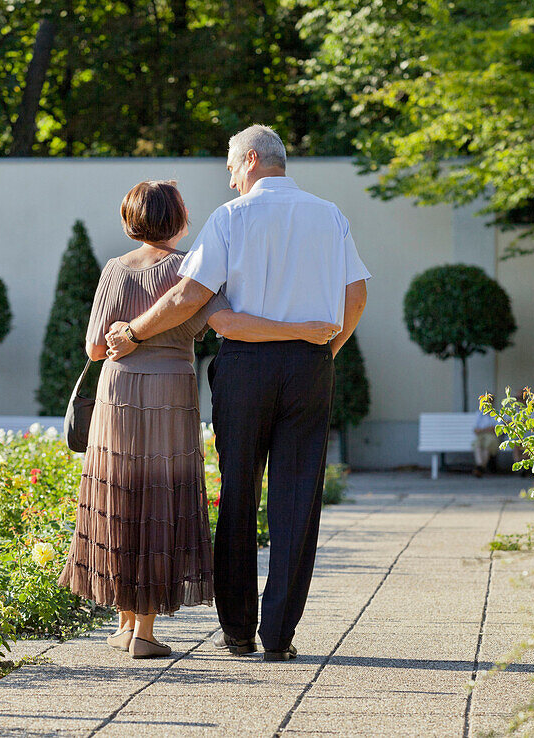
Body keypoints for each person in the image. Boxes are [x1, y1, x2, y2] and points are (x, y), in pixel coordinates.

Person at [105, 125, 371, 662]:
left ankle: (237, 631)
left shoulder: (232, 217)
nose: (229, 179)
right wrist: (324, 352)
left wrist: (134, 331)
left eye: (230, 167)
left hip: (246, 368)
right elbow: (357, 295)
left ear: (251, 159)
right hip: (310, 365)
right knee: (298, 500)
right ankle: (280, 636)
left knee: (239, 495)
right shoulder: (329, 215)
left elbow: (189, 294)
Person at [57, 180, 339, 659]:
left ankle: (126, 626)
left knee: (120, 493)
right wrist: (303, 333)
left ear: (129, 220)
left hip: (119, 394)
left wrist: (131, 336)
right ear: (181, 220)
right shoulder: (193, 269)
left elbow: (95, 349)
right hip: (170, 393)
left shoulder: (114, 270)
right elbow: (229, 325)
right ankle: (143, 632)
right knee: (159, 499)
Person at [472, 408, 500, 477]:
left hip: (492, 436)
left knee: (488, 444)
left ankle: (480, 467)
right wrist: (487, 429)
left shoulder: (497, 413)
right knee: (478, 444)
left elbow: (495, 429)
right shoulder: (479, 414)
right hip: (481, 435)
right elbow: (475, 430)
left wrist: (482, 430)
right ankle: (481, 466)